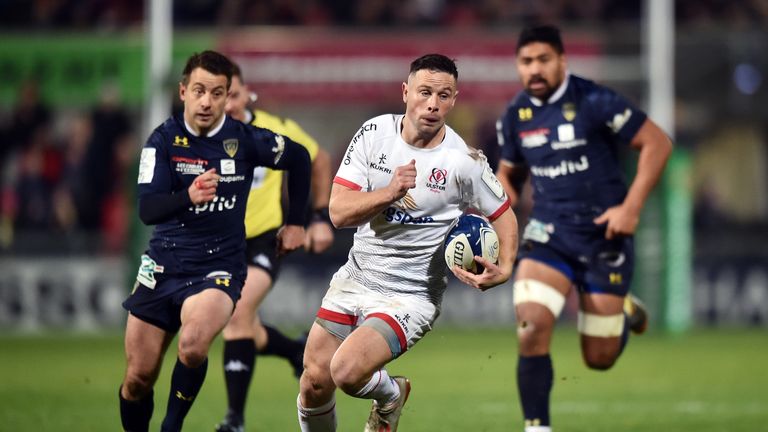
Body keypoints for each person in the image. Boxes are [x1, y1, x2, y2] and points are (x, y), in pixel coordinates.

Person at [296, 53, 519, 432]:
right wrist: (389, 192)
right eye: (425, 92)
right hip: (357, 276)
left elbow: (503, 214)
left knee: (346, 372)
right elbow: (337, 212)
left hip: (411, 295)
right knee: (315, 382)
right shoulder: (373, 134)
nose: (433, 104)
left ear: (454, 100)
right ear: (405, 92)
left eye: (444, 95)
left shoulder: (463, 161)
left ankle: (391, 395)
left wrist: (508, 267)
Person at [117, 50, 312, 432]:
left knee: (192, 344)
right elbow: (149, 210)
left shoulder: (244, 139)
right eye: (200, 91)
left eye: (218, 93)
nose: (207, 101)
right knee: (138, 379)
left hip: (218, 265)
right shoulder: (162, 141)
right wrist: (188, 196)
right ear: (184, 91)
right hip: (163, 264)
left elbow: (300, 158)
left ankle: (172, 426)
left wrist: (296, 224)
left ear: (227, 97)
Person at [494, 25, 672, 432]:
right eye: (526, 62)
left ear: (562, 61)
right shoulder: (515, 115)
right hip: (549, 234)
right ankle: (537, 426)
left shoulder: (595, 100)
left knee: (599, 358)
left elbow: (657, 143)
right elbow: (510, 174)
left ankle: (622, 314)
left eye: (543, 60)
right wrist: (501, 214)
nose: (534, 69)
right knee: (532, 324)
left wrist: (631, 208)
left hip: (604, 236)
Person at [215, 63, 335, 432]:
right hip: (218, 246)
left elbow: (317, 158)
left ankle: (234, 419)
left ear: (246, 93)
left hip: (266, 241)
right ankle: (293, 351)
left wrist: (317, 217)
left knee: (236, 315)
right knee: (243, 323)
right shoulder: (204, 137)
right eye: (220, 96)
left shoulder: (274, 128)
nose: (227, 104)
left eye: (232, 95)